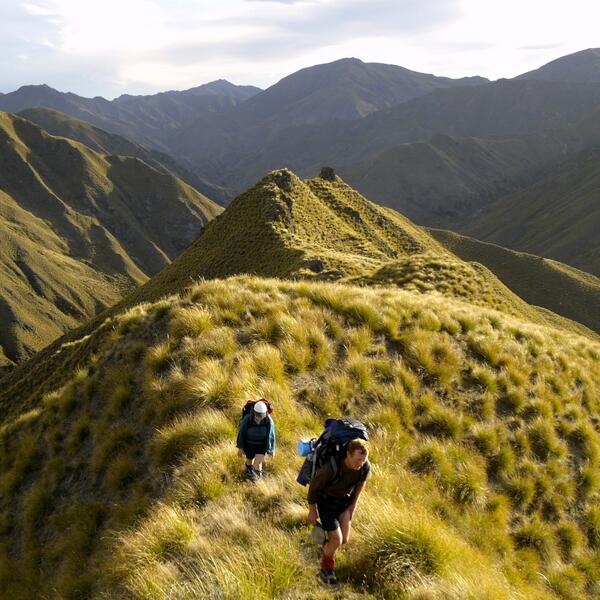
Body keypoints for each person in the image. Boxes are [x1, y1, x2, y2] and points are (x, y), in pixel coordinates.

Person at [307, 438, 370, 584]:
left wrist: (353, 506)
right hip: (326, 503)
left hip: (344, 503)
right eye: (357, 460)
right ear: (348, 454)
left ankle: (325, 546)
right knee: (337, 539)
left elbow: (361, 484)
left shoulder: (364, 467)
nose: (360, 464)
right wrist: (312, 511)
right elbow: (314, 488)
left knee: (344, 540)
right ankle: (326, 571)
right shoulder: (331, 468)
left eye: (363, 460)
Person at [236, 400, 276, 480]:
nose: (258, 417)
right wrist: (240, 448)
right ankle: (248, 474)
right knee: (249, 462)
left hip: (261, 446)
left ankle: (257, 483)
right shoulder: (247, 419)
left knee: (258, 465)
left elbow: (271, 436)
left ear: (265, 414)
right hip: (249, 445)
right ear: (254, 412)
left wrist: (271, 450)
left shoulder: (269, 421)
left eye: (261, 415)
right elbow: (242, 433)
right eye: (257, 415)